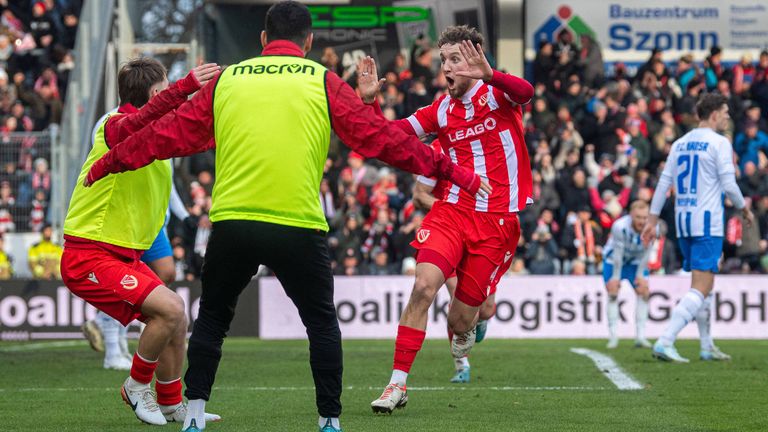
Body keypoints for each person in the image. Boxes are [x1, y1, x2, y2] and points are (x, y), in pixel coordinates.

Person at [82, 3, 487, 431]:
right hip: (297, 225)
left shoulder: (228, 80)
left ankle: (194, 415)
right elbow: (381, 141)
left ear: (262, 39)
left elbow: (165, 135)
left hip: (234, 222)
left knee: (214, 321)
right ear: (309, 42)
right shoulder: (322, 80)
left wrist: (107, 164)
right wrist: (455, 172)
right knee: (322, 327)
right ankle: (329, 420)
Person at [355, 25, 533, 413]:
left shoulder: (498, 94)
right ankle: (396, 385)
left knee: (464, 317)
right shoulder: (439, 110)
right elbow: (386, 139)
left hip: (498, 221)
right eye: (444, 61)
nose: (447, 69)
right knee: (423, 287)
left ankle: (471, 324)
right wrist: (370, 104)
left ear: (475, 60)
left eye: (456, 59)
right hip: (451, 211)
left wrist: (490, 74)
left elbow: (527, 92)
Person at [61, 58, 222, 426]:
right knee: (170, 310)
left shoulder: (156, 130)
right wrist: (186, 87)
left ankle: (170, 402)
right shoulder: (111, 124)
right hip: (90, 253)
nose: (173, 92)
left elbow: (196, 135)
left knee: (176, 318)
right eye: (167, 87)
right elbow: (137, 124)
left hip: (124, 253)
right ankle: (136, 385)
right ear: (155, 93)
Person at [642, 93, 754, 363]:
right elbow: (728, 183)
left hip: (683, 221)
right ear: (714, 114)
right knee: (702, 286)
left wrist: (652, 218)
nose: (728, 117)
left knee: (704, 284)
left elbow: (663, 183)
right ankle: (666, 339)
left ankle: (706, 345)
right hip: (707, 221)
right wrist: (744, 207)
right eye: (725, 112)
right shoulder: (719, 143)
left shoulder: (680, 143)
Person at [411, 143, 497, 384]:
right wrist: (448, 209)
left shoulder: (485, 142)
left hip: (482, 233)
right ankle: (462, 364)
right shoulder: (436, 150)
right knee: (454, 295)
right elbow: (419, 195)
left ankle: (479, 318)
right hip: (448, 233)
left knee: (486, 307)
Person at [602, 200, 654, 349]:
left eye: (645, 217)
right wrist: (615, 277)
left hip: (636, 261)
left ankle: (640, 336)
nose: (642, 221)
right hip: (614, 261)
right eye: (638, 217)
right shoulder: (619, 227)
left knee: (644, 291)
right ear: (631, 215)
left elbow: (647, 252)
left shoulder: (652, 227)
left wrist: (640, 275)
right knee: (612, 291)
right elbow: (618, 254)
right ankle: (613, 337)